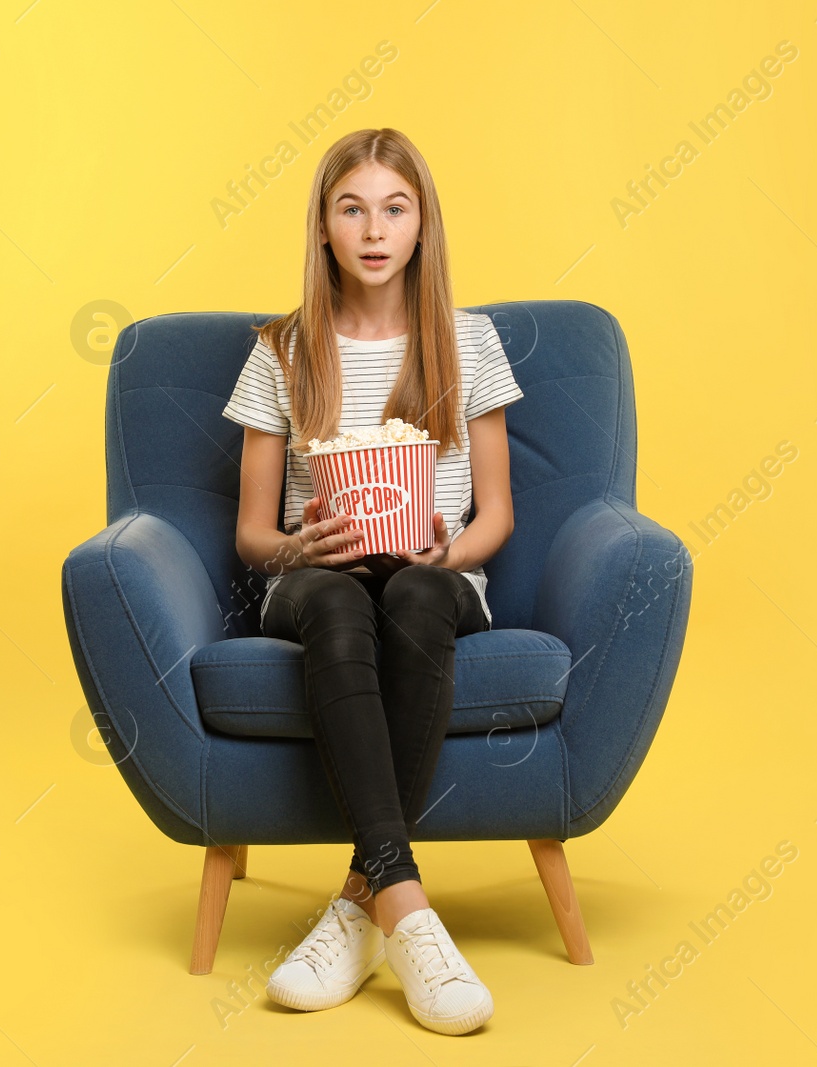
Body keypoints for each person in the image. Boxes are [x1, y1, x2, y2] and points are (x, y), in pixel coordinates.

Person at [219, 128, 524, 1035]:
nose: (374, 228)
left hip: (435, 573)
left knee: (415, 595)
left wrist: (450, 553)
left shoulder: (469, 344)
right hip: (313, 583)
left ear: (423, 224)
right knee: (345, 599)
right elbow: (249, 533)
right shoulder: (281, 349)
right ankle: (411, 914)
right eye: (351, 207)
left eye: (395, 208)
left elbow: (497, 515)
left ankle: (364, 901)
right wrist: (298, 548)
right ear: (322, 227)